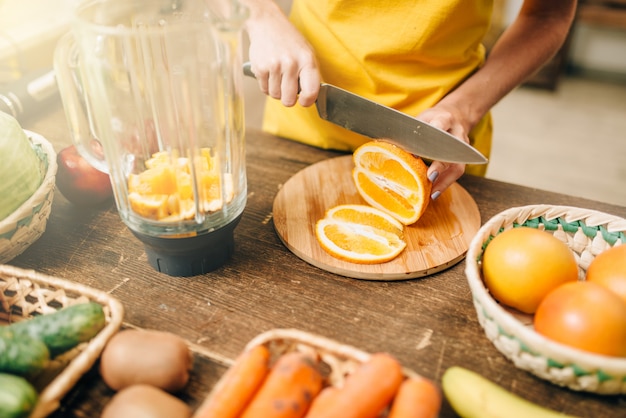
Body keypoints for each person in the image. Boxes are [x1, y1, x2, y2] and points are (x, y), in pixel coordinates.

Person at [241, 0, 577, 200]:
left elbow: (547, 16)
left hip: (438, 147)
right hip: (302, 122)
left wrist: (462, 109)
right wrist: (261, 17)